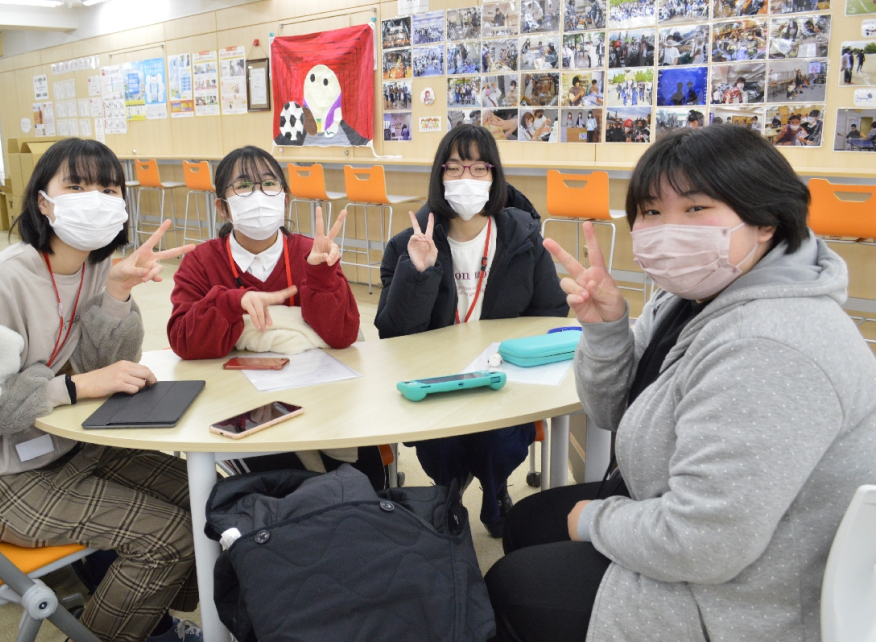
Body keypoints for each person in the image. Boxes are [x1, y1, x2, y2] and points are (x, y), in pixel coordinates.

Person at [486, 124, 876, 642]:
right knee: (527, 522)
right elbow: (610, 413)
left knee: (512, 584)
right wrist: (606, 329)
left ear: (765, 220)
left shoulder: (772, 344)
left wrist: (596, 520)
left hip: (747, 594)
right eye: (651, 211)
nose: (669, 229)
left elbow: (705, 544)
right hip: (681, 512)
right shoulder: (688, 296)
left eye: (695, 208)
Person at [0, 138, 205, 642]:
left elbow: (109, 368)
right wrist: (69, 386)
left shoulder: (96, 269)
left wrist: (117, 295)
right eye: (77, 186)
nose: (96, 199)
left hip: (63, 445)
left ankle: (148, 618)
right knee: (168, 538)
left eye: (108, 189)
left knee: (206, 497)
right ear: (44, 203)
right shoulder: (0, 281)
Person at [374, 125, 569, 537]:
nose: (468, 178)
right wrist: (418, 274)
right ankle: (448, 492)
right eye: (456, 167)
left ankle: (494, 489)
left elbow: (550, 316)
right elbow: (393, 336)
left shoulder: (524, 239)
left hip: (505, 376)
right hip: (437, 380)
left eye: (480, 168)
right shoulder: (408, 243)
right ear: (439, 175)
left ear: (495, 176)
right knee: (441, 445)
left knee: (500, 438)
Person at [167, 145, 386, 489]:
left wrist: (321, 277)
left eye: (269, 184)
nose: (259, 195)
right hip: (240, 404)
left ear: (285, 200)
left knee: (369, 478)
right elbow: (183, 340)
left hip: (319, 394)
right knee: (289, 485)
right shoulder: (201, 261)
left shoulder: (311, 252)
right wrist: (231, 302)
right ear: (222, 207)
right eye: (243, 186)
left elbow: (343, 336)